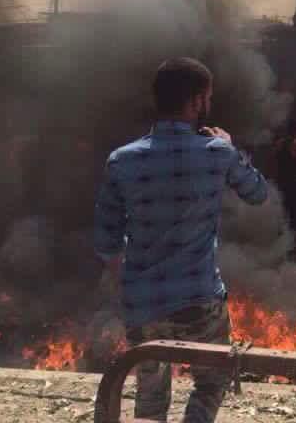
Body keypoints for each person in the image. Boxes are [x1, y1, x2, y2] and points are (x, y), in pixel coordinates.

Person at [94, 58, 269, 423]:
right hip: (199, 300)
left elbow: (107, 242)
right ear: (196, 101)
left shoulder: (121, 161)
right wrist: (230, 146)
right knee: (212, 379)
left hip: (143, 302)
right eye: (206, 98)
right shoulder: (217, 153)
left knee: (151, 394)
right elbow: (257, 193)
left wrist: (128, 283)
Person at [274, 119, 296, 247]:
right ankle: (293, 243)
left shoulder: (279, 143)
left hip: (282, 182)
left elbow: (274, 163)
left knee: (283, 213)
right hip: (295, 183)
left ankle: (281, 243)